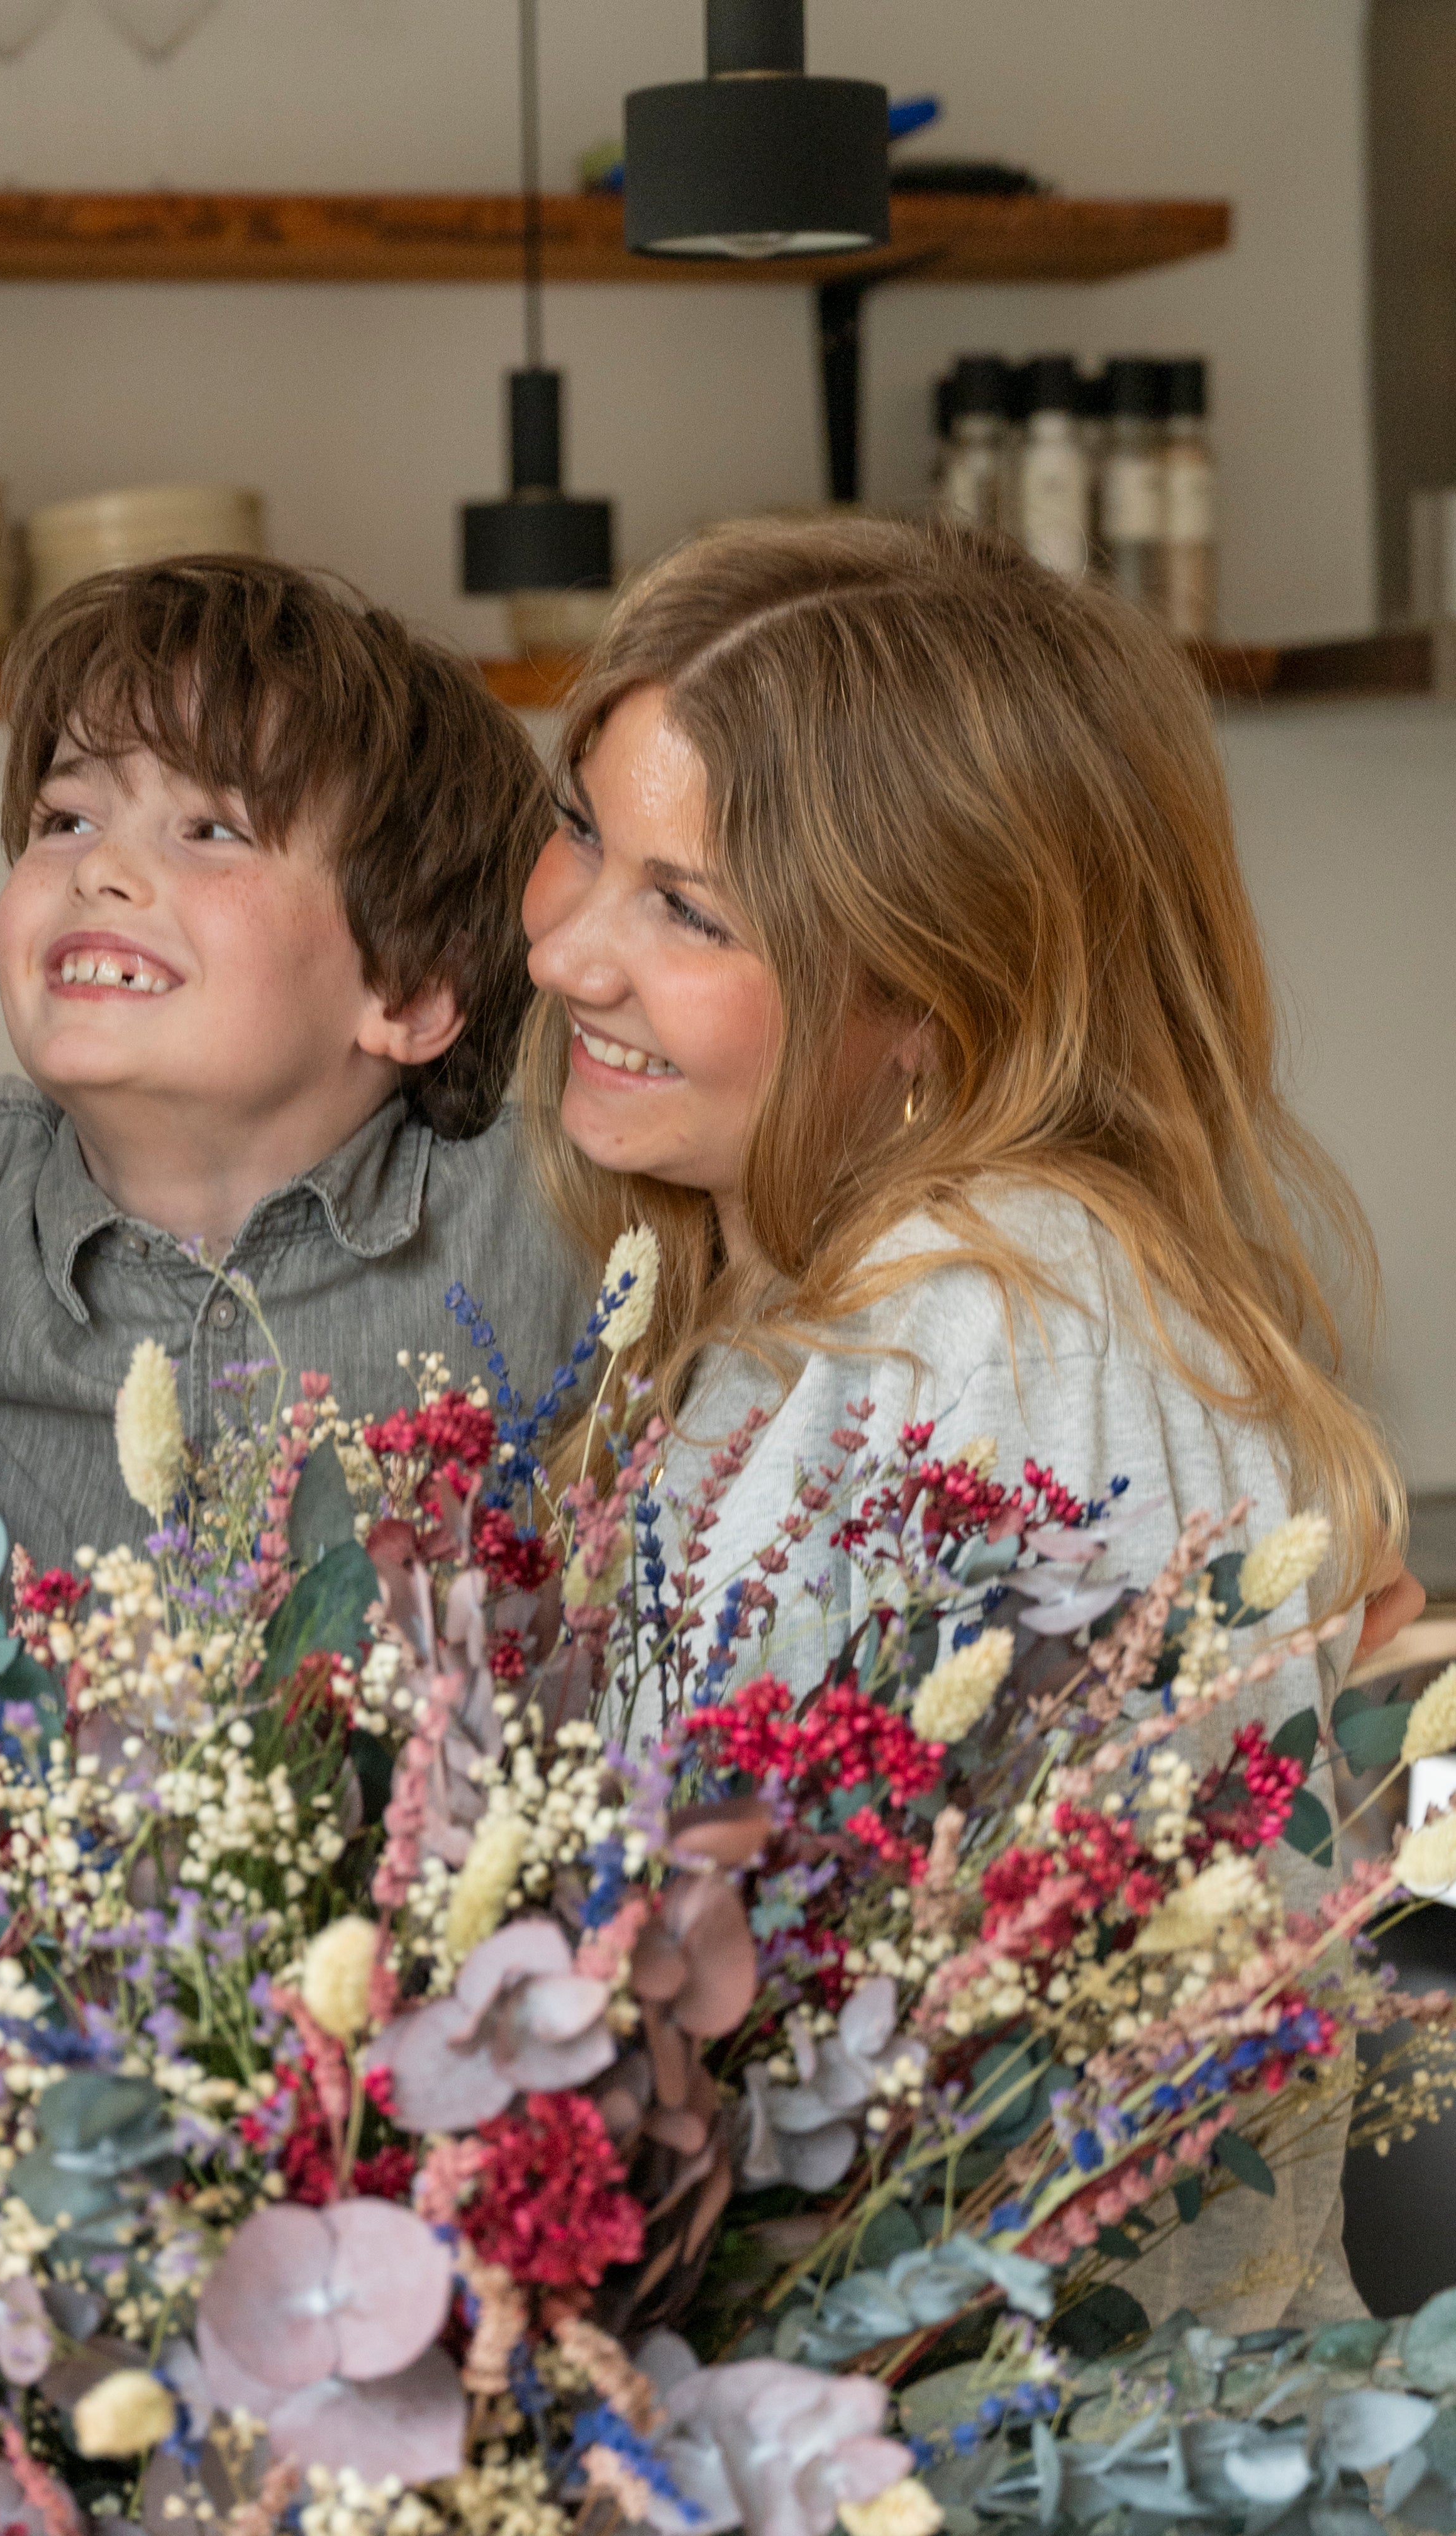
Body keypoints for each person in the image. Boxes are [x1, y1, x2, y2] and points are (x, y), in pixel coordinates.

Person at [516, 511, 1411, 2330]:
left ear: (927, 992)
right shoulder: (796, 1288)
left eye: (686, 909)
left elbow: (1066, 2137)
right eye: (585, 837)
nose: (569, 956)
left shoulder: (1004, 1330)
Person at [0, 557, 601, 1564]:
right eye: (66, 819)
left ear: (414, 989)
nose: (102, 870)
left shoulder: (557, 1215)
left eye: (211, 830)